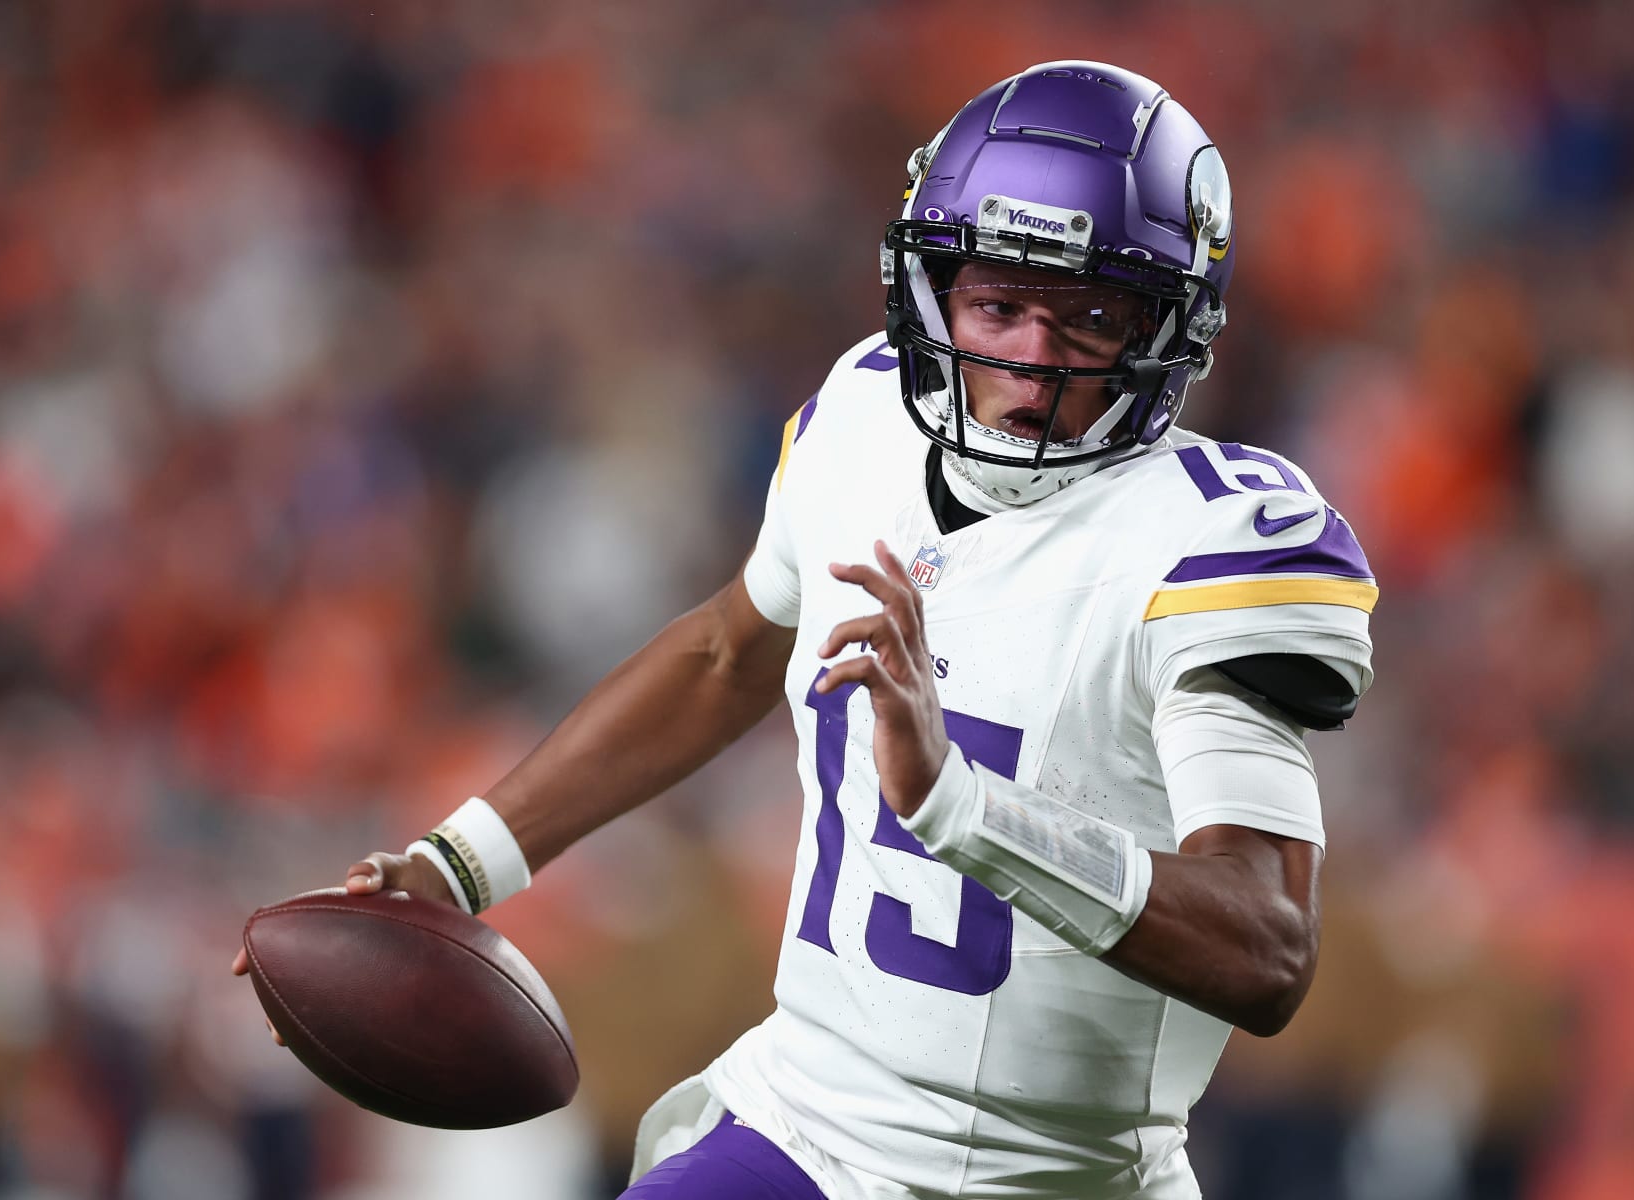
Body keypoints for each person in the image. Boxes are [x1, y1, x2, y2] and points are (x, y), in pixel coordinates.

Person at [233, 59, 1378, 1199]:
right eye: (996, 304)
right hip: (809, 1129)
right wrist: (457, 864)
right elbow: (729, 649)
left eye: (1089, 320)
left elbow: (1267, 948)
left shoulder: (1211, 541)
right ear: (931, 292)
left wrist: (965, 807)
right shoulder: (866, 419)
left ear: (1173, 330)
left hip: (1060, 1178)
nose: (1030, 360)